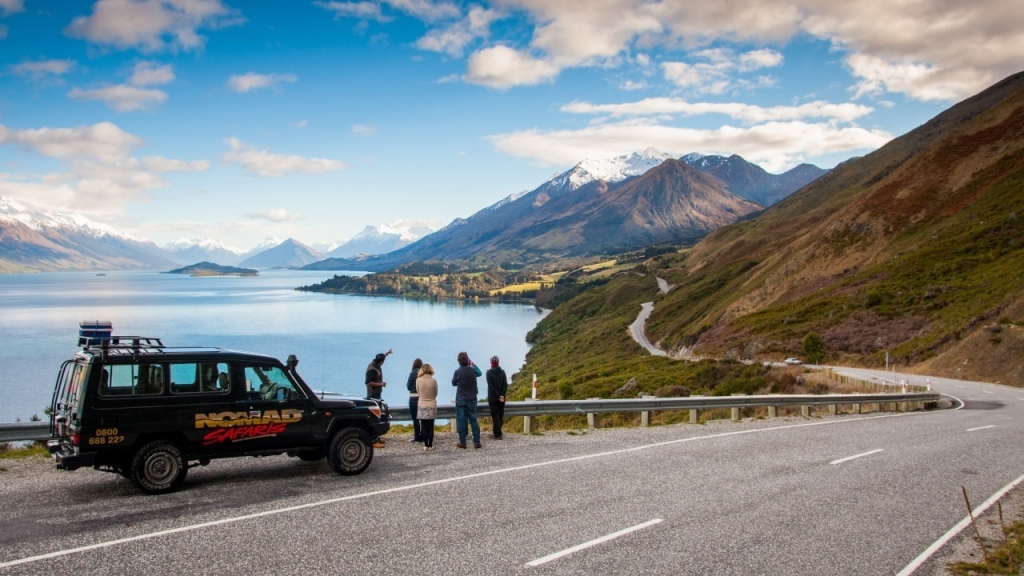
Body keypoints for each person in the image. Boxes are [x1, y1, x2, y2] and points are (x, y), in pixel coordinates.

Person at [452, 351, 482, 449]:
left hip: (461, 398)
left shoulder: (458, 371)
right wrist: (473, 364)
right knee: (473, 419)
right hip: (472, 398)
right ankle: (477, 442)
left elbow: (453, 383)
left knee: (461, 420)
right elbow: (480, 373)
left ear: (459, 361)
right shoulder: (473, 370)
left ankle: (463, 442)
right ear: (467, 360)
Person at [365, 348, 392, 448]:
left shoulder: (376, 363)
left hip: (377, 395)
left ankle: (376, 437)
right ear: (380, 362)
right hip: (373, 396)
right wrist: (380, 384)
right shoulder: (372, 370)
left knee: (379, 416)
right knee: (374, 418)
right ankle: (373, 439)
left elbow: (382, 357)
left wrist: (387, 353)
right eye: (383, 362)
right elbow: (368, 383)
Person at [415, 363, 438, 451]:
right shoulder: (434, 381)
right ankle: (431, 445)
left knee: (424, 426)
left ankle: (425, 445)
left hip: (422, 404)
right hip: (432, 404)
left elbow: (418, 392)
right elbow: (436, 393)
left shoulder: (418, 380)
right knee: (431, 426)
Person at [486, 355, 508, 439]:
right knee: (500, 414)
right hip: (502, 398)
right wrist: (502, 395)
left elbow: (491, 387)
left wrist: (498, 396)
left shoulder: (489, 373)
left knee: (495, 415)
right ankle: (497, 432)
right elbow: (505, 384)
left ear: (491, 363)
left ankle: (497, 433)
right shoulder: (502, 372)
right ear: (498, 362)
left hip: (493, 398)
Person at [407, 358, 423, 442]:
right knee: (423, 418)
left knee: (415, 419)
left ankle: (417, 437)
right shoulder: (423, 373)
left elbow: (408, 386)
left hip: (413, 398)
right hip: (423, 398)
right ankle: (424, 435)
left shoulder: (412, 373)